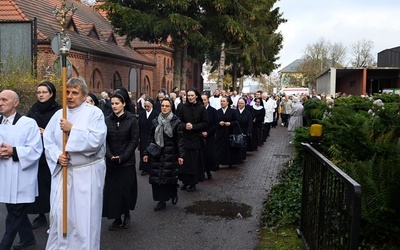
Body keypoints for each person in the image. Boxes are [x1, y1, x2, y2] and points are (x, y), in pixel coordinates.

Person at [43, 77, 107, 250]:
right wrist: (57, 155)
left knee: (83, 219)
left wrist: (72, 130)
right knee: (61, 216)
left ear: (84, 95)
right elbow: (48, 140)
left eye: (75, 93)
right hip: (64, 173)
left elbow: (96, 141)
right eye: (67, 92)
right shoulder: (59, 114)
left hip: (86, 175)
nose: (70, 96)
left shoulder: (94, 113)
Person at [0, 90, 43, 250]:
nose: (0, 103)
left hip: (21, 175)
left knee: (15, 213)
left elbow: (36, 149)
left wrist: (14, 151)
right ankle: (28, 238)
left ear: (15, 103)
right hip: (5, 174)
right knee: (13, 208)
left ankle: (4, 246)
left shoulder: (28, 123)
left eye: (4, 99)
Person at [26, 81, 61, 230]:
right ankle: (41, 215)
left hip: (53, 151)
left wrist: (45, 131)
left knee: (54, 184)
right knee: (40, 185)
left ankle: (56, 214)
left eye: (44, 92)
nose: (40, 95)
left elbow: (60, 129)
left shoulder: (58, 110)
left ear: (51, 93)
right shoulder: (33, 109)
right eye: (38, 92)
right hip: (37, 151)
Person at [103, 93, 139, 230]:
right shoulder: (107, 120)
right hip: (111, 161)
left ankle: (126, 214)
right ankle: (116, 218)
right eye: (112, 104)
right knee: (113, 191)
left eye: (117, 103)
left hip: (126, 162)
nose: (114, 106)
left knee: (125, 190)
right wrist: (110, 155)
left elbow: (134, 140)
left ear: (123, 104)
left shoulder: (132, 119)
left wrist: (123, 157)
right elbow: (104, 140)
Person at [143, 98, 184, 211]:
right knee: (157, 178)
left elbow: (179, 141)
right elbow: (150, 138)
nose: (164, 108)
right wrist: (146, 152)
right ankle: (161, 201)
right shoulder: (155, 120)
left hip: (170, 154)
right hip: (157, 153)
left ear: (171, 108)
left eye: (167, 106)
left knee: (168, 178)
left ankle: (173, 193)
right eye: (163, 106)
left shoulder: (176, 121)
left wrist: (181, 155)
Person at [178, 88, 208, 191]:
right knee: (185, 161)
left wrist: (194, 127)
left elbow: (205, 123)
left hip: (196, 138)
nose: (190, 97)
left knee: (194, 162)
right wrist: (185, 126)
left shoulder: (201, 108)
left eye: (192, 95)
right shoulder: (182, 107)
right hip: (185, 138)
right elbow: (178, 122)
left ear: (196, 96)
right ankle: (185, 182)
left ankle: (193, 183)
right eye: (188, 95)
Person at [215, 96, 242, 168]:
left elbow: (237, 121)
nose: (222, 103)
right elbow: (214, 122)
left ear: (228, 102)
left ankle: (230, 162)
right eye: (221, 101)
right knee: (219, 148)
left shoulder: (233, 111)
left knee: (230, 148)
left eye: (224, 101)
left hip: (230, 132)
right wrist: (218, 123)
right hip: (220, 133)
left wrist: (230, 123)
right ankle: (218, 162)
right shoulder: (218, 111)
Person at [138, 98, 159, 176]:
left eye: (148, 106)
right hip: (143, 135)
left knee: (151, 151)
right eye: (145, 106)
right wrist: (139, 136)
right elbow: (139, 125)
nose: (146, 108)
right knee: (143, 151)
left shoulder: (156, 114)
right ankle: (144, 168)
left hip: (152, 136)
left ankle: (151, 167)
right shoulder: (142, 114)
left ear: (151, 106)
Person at [201, 94, 218, 180]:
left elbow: (215, 125)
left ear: (208, 100)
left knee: (209, 154)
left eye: (205, 100)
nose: (203, 101)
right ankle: (202, 172)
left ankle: (208, 171)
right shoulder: (198, 110)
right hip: (200, 136)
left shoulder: (213, 111)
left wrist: (208, 132)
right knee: (201, 155)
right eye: (202, 100)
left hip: (210, 136)